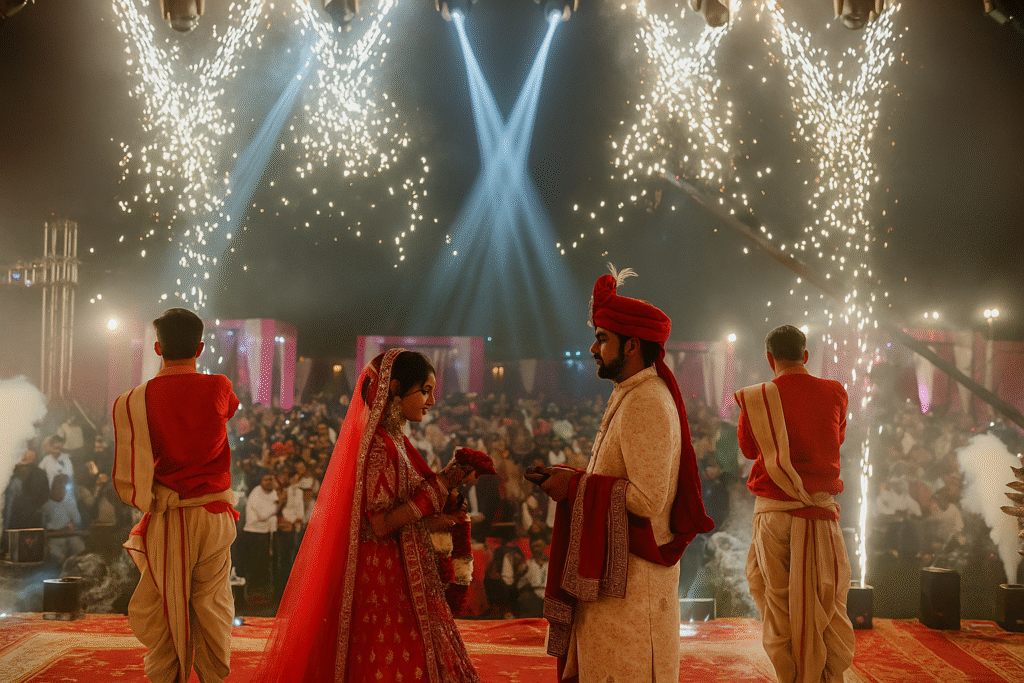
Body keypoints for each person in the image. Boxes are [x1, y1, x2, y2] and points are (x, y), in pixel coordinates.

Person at [254, 349, 494, 683]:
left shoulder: (396, 439)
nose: (432, 400)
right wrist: (443, 483)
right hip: (382, 574)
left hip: (403, 565)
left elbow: (411, 505)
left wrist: (445, 489)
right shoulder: (380, 445)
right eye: (424, 390)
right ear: (395, 387)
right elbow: (381, 523)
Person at [529, 264, 714, 683]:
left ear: (631, 346)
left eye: (601, 339)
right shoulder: (630, 394)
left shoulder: (646, 400)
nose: (593, 349)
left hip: (632, 587)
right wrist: (570, 477)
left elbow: (647, 500)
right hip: (618, 581)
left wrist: (575, 486)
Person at [112, 308, 240, 683]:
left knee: (168, 608)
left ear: (156, 347)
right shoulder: (219, 386)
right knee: (214, 604)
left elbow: (130, 474)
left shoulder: (135, 399)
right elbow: (227, 413)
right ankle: (215, 678)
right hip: (215, 515)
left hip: (169, 519)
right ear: (200, 348)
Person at [736, 324, 855, 683]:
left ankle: (789, 677)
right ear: (805, 356)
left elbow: (747, 449)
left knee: (777, 603)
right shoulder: (835, 392)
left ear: (770, 359)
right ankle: (828, 676)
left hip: (774, 513)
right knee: (827, 603)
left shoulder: (758, 397)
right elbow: (838, 439)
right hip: (820, 514)